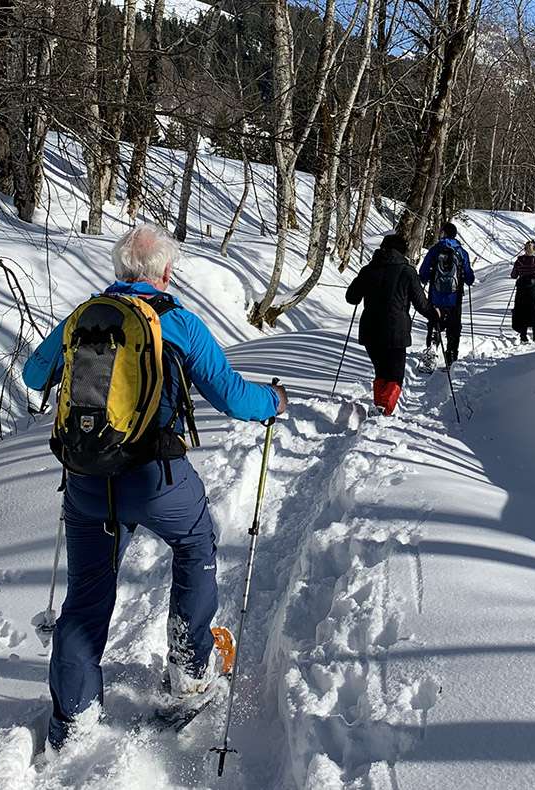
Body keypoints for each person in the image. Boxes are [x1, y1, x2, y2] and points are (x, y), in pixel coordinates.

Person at [22, 224, 287, 751]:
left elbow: (34, 374)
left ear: (120, 271)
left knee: (88, 592)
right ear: (166, 272)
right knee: (194, 542)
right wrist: (273, 403)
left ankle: (72, 719)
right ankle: (187, 671)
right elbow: (233, 396)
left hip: (88, 480)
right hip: (156, 477)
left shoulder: (84, 317)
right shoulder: (178, 322)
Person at [345, 234, 437, 415]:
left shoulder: (369, 269)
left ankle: (380, 406)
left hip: (370, 330)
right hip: (396, 331)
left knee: (381, 371)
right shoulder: (407, 271)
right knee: (395, 374)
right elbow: (421, 304)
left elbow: (351, 298)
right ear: (403, 251)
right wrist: (436, 316)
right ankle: (383, 409)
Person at [419, 222, 475, 368]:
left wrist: (426, 278)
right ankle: (451, 355)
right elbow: (470, 278)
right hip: (454, 298)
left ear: (443, 233)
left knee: (434, 323)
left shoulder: (435, 250)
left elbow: (423, 273)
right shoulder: (462, 252)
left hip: (435, 296)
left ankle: (431, 348)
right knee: (454, 326)